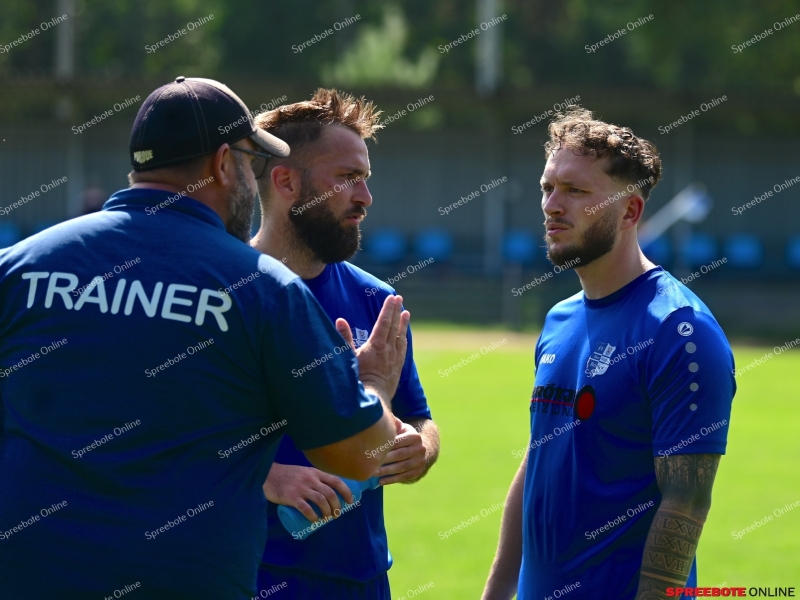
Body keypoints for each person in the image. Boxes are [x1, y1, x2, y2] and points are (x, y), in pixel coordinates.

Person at [0, 76, 407, 599]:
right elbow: (362, 456)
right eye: (247, 163)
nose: (250, 180)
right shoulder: (263, 289)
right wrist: (373, 384)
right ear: (221, 164)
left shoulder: (19, 268)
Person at [482, 107, 736, 600]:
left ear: (630, 212)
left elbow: (686, 501)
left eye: (575, 191)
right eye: (547, 188)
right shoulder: (559, 319)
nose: (553, 205)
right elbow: (539, 458)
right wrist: (496, 590)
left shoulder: (679, 330)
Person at [251, 88, 440, 600]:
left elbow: (417, 415)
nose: (365, 197)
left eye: (366, 179)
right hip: (249, 572)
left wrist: (422, 448)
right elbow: (171, 435)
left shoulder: (376, 300)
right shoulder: (222, 293)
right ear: (287, 181)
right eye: (346, 178)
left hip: (360, 577)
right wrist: (266, 477)